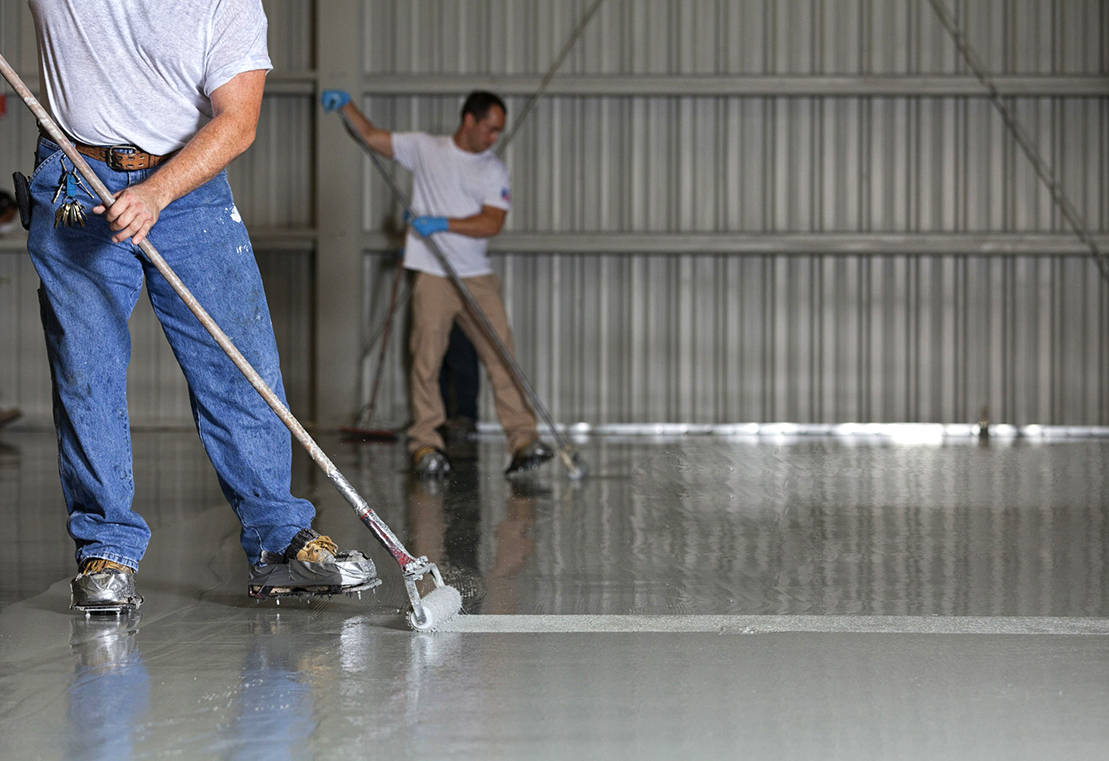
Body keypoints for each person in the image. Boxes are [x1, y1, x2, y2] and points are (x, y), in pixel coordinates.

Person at [25, 0, 376, 613]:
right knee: (87, 373)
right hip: (76, 177)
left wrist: (156, 194)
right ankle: (104, 549)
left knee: (240, 366)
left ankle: (278, 544)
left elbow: (238, 121)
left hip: (187, 187)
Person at [322, 88, 554, 479]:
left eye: (499, 132)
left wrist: (442, 223)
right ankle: (425, 443)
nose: (494, 138)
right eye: (490, 129)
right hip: (432, 273)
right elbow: (374, 138)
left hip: (475, 275)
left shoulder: (492, 169)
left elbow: (491, 222)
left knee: (502, 356)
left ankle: (523, 440)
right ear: (470, 121)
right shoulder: (425, 149)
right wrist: (347, 106)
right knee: (426, 358)